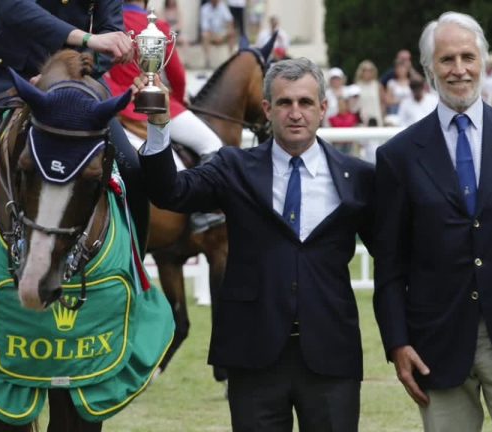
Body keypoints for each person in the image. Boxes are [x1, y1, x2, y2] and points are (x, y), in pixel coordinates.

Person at [136, 57, 374, 431]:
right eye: (284, 103)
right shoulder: (233, 167)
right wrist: (159, 125)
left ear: (323, 109)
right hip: (253, 357)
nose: (295, 113)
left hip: (332, 355)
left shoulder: (358, 176)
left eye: (305, 102)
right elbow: (170, 192)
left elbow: (394, 258)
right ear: (267, 109)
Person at [373, 11, 492, 432]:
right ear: (428, 71)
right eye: (446, 60)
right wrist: (397, 343)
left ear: (484, 62)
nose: (458, 69)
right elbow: (389, 264)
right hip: (436, 343)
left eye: (467, 57)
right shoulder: (399, 156)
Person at [0, 1, 150, 254]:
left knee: (131, 170)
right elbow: (14, 9)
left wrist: (62, 74)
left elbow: (110, 34)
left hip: (73, 82)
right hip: (3, 77)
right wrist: (88, 39)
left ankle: (136, 267)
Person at [106, 0, 222, 161]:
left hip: (119, 104)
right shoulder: (157, 26)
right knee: (212, 144)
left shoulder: (107, 25)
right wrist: (180, 98)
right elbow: (177, 76)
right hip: (157, 103)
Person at [200, 0, 233, 69]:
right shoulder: (204, 9)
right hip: (211, 34)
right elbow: (205, 27)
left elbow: (230, 20)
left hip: (222, 33)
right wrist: (215, 36)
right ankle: (207, 60)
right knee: (204, 35)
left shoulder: (222, 6)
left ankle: (231, 59)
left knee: (231, 33)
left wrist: (228, 30)